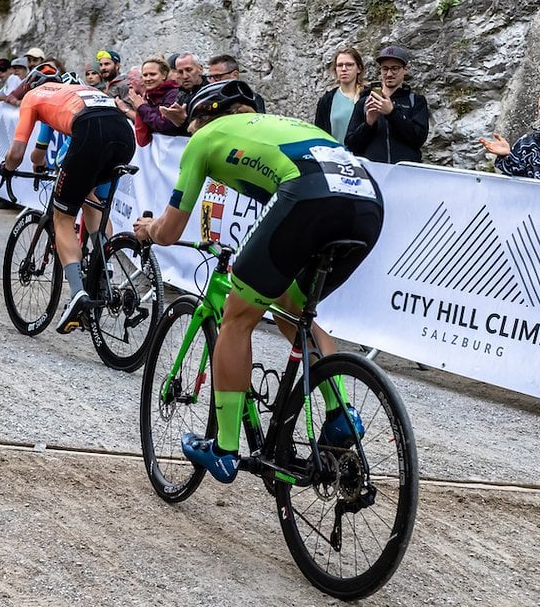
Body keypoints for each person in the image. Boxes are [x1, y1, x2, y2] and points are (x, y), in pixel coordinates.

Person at [132, 81, 383, 482]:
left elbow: (168, 230)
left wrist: (147, 230)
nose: (192, 133)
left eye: (194, 124)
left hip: (309, 195)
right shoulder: (285, 126)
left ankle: (225, 448)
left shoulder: (206, 138)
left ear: (202, 119)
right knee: (291, 309)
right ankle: (340, 414)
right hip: (368, 203)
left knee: (236, 317)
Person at [0, 63, 136, 333]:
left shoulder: (33, 96)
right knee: (89, 198)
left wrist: (7, 168)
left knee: (63, 217)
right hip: (123, 135)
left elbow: (17, 152)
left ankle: (78, 296)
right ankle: (103, 269)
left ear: (30, 84)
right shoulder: (78, 89)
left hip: (91, 132)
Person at [344, 44, 430, 163]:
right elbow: (351, 145)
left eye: (395, 68)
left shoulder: (416, 101)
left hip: (406, 174)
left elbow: (418, 139)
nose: (389, 74)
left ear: (405, 69)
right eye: (385, 69)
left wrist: (392, 113)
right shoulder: (364, 102)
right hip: (374, 173)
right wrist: (369, 124)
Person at [314, 46, 365, 146]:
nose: (344, 69)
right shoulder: (327, 101)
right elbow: (319, 134)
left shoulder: (368, 97)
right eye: (340, 65)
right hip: (336, 157)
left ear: (359, 68)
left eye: (349, 65)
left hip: (364, 158)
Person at [126, 57, 180, 146]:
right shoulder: (148, 96)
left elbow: (164, 124)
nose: (148, 78)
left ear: (164, 75)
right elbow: (142, 140)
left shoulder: (173, 94)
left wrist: (141, 107)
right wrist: (139, 110)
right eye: (145, 75)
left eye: (153, 74)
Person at [160, 52, 208, 132]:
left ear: (200, 69)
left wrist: (184, 120)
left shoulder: (209, 92)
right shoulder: (180, 94)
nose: (185, 76)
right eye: (180, 72)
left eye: (189, 70)